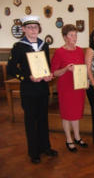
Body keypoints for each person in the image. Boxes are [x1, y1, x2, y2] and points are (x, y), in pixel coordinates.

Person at [7, 15, 58, 164]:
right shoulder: (18, 47)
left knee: (43, 119)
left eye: (35, 27)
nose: (33, 30)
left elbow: (46, 65)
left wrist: (48, 75)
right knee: (31, 120)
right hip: (28, 89)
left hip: (42, 88)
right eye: (29, 27)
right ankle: (33, 152)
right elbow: (11, 68)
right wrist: (27, 77)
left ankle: (46, 147)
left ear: (38, 28)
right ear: (23, 29)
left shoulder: (44, 45)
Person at [51, 24, 87, 152]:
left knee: (76, 114)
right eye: (71, 35)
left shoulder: (79, 50)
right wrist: (66, 69)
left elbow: (82, 69)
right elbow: (54, 73)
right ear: (65, 37)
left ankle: (77, 137)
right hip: (66, 88)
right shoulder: (59, 52)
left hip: (78, 88)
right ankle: (68, 139)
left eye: (76, 34)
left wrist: (85, 81)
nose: (75, 37)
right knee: (67, 114)